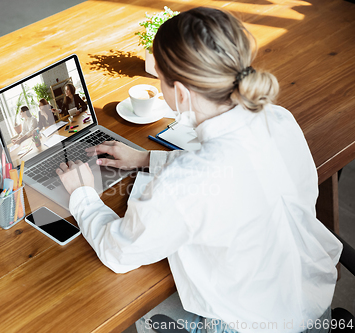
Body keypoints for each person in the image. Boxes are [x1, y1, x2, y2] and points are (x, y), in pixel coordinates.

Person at [55, 7, 342, 333]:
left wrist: (83, 195)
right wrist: (146, 159)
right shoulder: (277, 118)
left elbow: (119, 252)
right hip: (313, 300)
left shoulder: (188, 182)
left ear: (179, 93)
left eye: (160, 79)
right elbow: (232, 172)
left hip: (252, 324)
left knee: (132, 311)